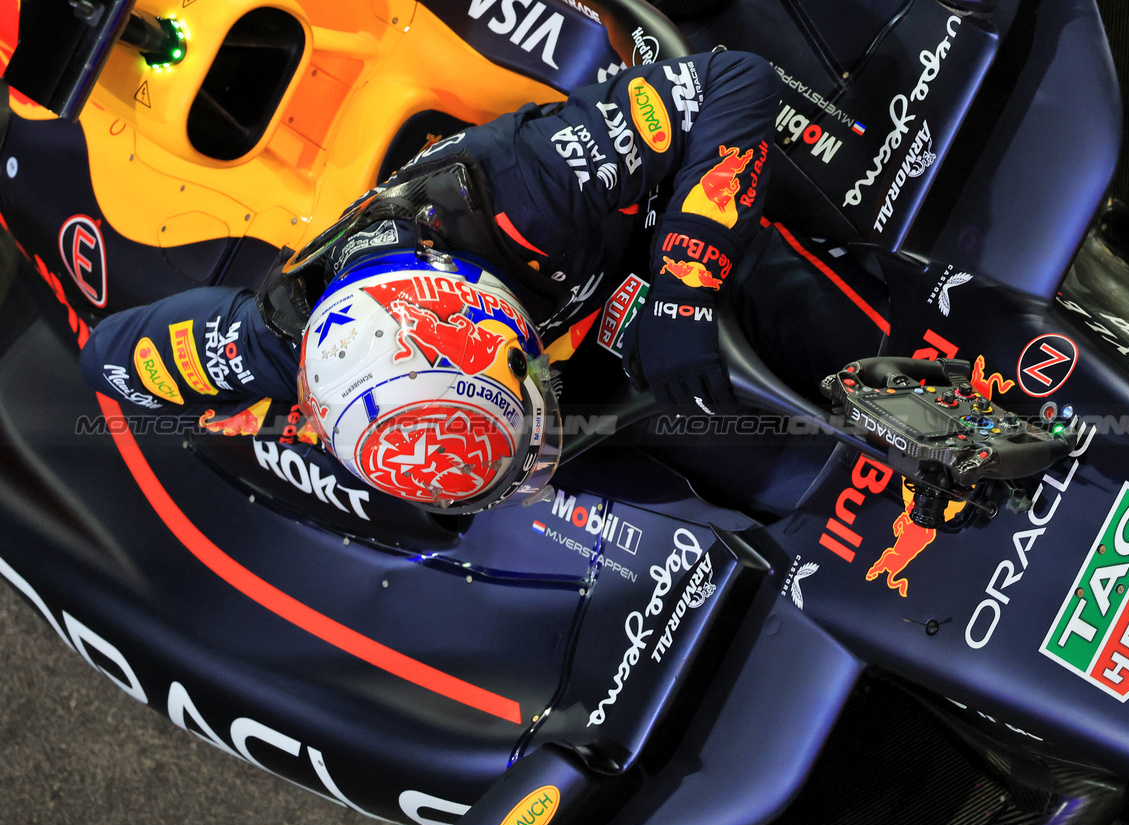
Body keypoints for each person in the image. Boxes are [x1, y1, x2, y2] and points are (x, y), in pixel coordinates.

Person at [80, 50, 889, 512]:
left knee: (780, 303)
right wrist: (288, 403)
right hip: (535, 317)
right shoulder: (276, 336)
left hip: (608, 233)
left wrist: (683, 290)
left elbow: (736, 77)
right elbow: (107, 359)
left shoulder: (533, 188)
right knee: (611, 473)